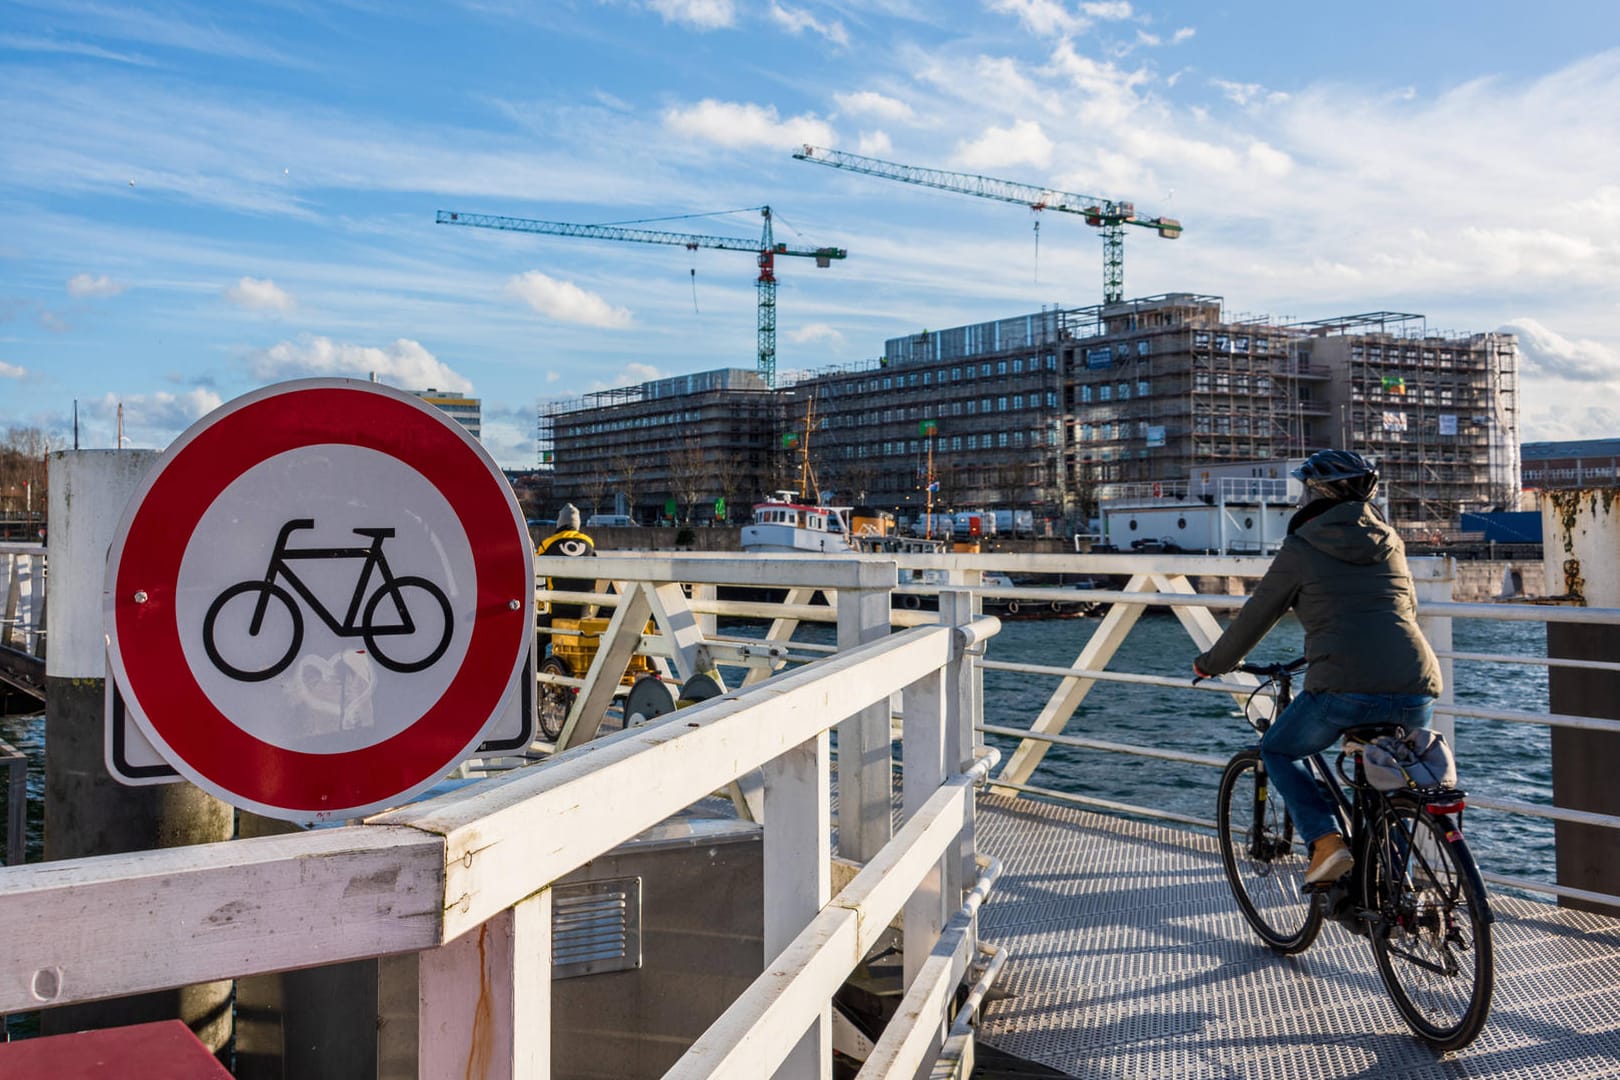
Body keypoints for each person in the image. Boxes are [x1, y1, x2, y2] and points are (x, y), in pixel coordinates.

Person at [1192, 449, 1441, 886]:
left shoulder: (1302, 547)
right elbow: (1404, 610)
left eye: (1305, 489)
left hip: (1345, 685)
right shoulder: (1390, 540)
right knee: (1395, 784)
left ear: (1317, 493)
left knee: (1279, 750)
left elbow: (1257, 616)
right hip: (1415, 682)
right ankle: (1393, 887)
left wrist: (1212, 664)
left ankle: (1325, 842)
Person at [537, 504, 596, 623]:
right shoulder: (589, 543)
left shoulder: (548, 544)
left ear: (560, 522)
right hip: (584, 611)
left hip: (556, 611)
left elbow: (534, 570)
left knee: (534, 633)